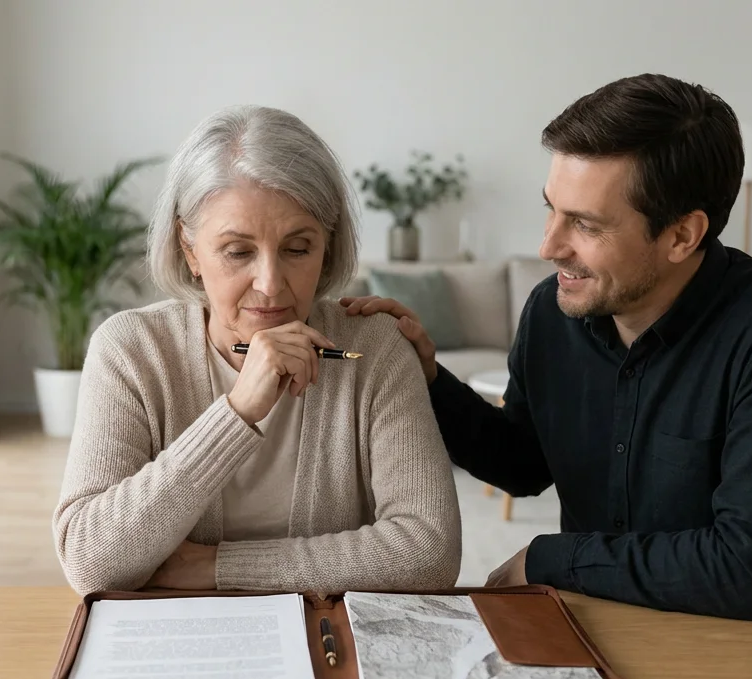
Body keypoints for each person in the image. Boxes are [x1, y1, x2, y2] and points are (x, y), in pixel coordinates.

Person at [343, 74, 752, 621]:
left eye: (584, 224)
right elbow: (522, 463)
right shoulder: (552, 311)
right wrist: (428, 379)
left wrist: (553, 559)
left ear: (682, 235)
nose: (548, 245)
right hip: (597, 629)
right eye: (551, 209)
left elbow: (751, 573)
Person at [53, 105, 461, 596]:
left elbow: (429, 550)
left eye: (297, 249)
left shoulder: (374, 347)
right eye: (238, 251)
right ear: (189, 249)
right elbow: (90, 563)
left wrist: (215, 569)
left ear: (327, 246)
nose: (270, 285)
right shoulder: (130, 350)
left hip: (328, 645)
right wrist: (237, 410)